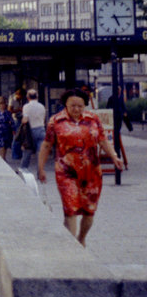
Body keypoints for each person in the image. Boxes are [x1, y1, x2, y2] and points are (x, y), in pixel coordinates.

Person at [37, 88, 124, 246]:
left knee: (89, 212)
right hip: (66, 172)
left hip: (91, 172)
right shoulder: (55, 121)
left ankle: (81, 238)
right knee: (70, 210)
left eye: (80, 106)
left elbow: (103, 141)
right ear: (66, 105)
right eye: (73, 106)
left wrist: (114, 157)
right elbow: (47, 145)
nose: (76, 109)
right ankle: (72, 250)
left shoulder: (93, 119)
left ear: (85, 106)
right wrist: (41, 168)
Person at [19, 89, 47, 170]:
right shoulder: (42, 106)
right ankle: (40, 172)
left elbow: (25, 120)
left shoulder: (26, 107)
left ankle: (23, 169)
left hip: (30, 131)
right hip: (41, 130)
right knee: (40, 152)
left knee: (27, 151)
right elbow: (44, 119)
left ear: (28, 97)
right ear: (37, 97)